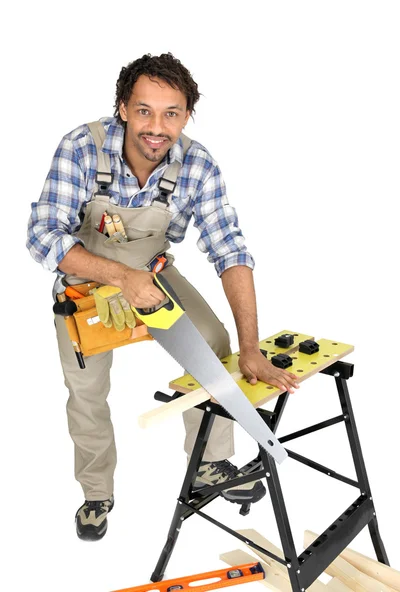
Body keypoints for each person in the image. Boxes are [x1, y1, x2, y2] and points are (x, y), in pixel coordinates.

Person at [27, 53, 299, 541]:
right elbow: (43, 236)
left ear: (187, 114)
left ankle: (209, 464)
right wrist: (117, 276)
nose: (157, 126)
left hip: (153, 272)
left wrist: (252, 348)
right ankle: (96, 493)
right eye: (145, 110)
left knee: (214, 342)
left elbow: (231, 250)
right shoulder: (81, 148)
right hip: (85, 280)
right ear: (123, 108)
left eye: (171, 113)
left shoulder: (196, 163)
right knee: (86, 391)